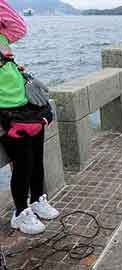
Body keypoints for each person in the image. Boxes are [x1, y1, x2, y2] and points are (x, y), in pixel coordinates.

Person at [0, 0, 59, 235]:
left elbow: (19, 27)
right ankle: (20, 213)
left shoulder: (2, 36)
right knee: (23, 165)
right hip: (7, 114)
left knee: (36, 159)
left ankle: (37, 200)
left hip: (26, 107)